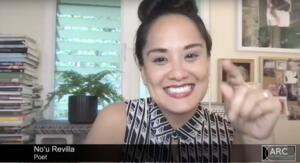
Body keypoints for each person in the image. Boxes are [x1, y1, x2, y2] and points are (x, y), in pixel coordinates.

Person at [86, 0, 282, 161]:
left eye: (190, 56)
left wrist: (261, 139)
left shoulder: (232, 132)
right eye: (160, 59)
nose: (178, 73)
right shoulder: (116, 122)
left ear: (207, 61)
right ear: (143, 71)